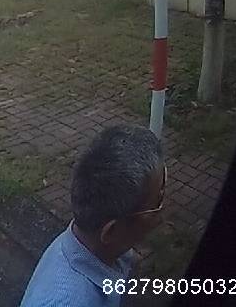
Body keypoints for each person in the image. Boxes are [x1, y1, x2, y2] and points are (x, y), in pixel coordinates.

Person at [20, 125, 165, 307]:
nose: (162, 215)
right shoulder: (69, 301)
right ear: (111, 232)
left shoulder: (93, 247)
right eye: (157, 202)